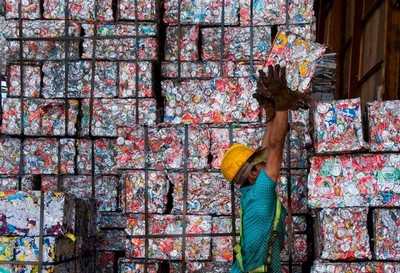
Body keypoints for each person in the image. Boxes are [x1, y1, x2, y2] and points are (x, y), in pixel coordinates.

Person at [220, 64, 310, 273]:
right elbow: (276, 146)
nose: (266, 160)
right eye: (261, 162)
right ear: (252, 173)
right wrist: (282, 106)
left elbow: (267, 147)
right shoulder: (260, 192)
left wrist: (271, 111)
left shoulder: (250, 192)